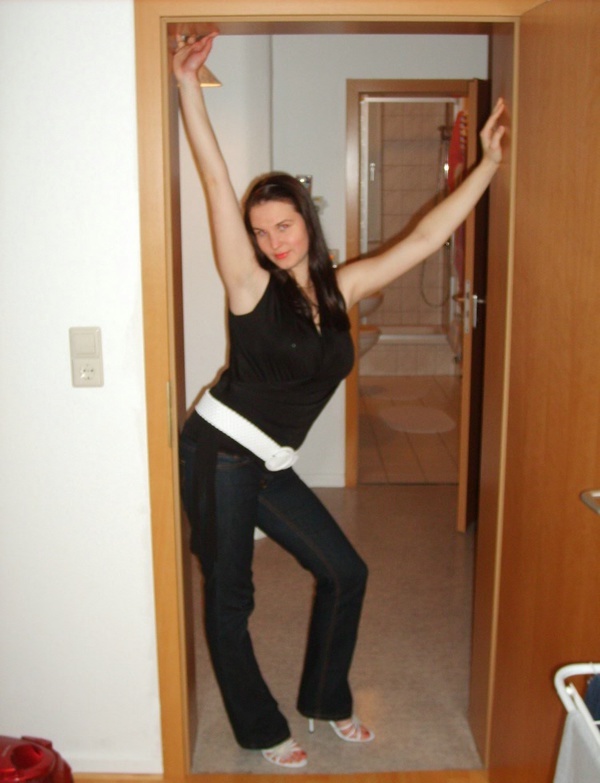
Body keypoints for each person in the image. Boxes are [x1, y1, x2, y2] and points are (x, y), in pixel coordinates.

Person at [174, 31, 506, 770]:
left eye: (284, 225)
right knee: (230, 597)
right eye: (261, 232)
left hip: (268, 459)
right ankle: (261, 729)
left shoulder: (340, 287)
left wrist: (487, 165)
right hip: (219, 451)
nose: (273, 241)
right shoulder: (248, 285)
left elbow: (425, 236)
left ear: (307, 221)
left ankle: (325, 700)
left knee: (345, 570)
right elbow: (214, 178)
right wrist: (188, 87)